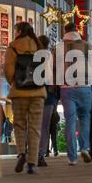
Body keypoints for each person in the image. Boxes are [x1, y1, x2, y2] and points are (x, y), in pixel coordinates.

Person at [5, 22, 46, 174]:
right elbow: (45, 70)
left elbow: (8, 69)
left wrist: (14, 82)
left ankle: (21, 152)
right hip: (38, 93)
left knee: (19, 124)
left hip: (19, 92)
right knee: (35, 127)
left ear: (20, 31)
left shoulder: (13, 46)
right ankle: (31, 163)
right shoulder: (39, 46)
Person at [54, 23, 92, 165]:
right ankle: (84, 148)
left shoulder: (58, 47)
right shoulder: (87, 45)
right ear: (77, 31)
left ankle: (72, 157)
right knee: (84, 118)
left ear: (64, 31)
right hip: (85, 87)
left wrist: (55, 87)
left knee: (70, 121)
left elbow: (53, 68)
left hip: (67, 88)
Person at [37, 35, 60, 167]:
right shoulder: (53, 57)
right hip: (50, 94)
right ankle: (41, 154)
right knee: (45, 126)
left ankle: (30, 152)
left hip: (36, 92)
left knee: (34, 125)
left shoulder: (35, 56)